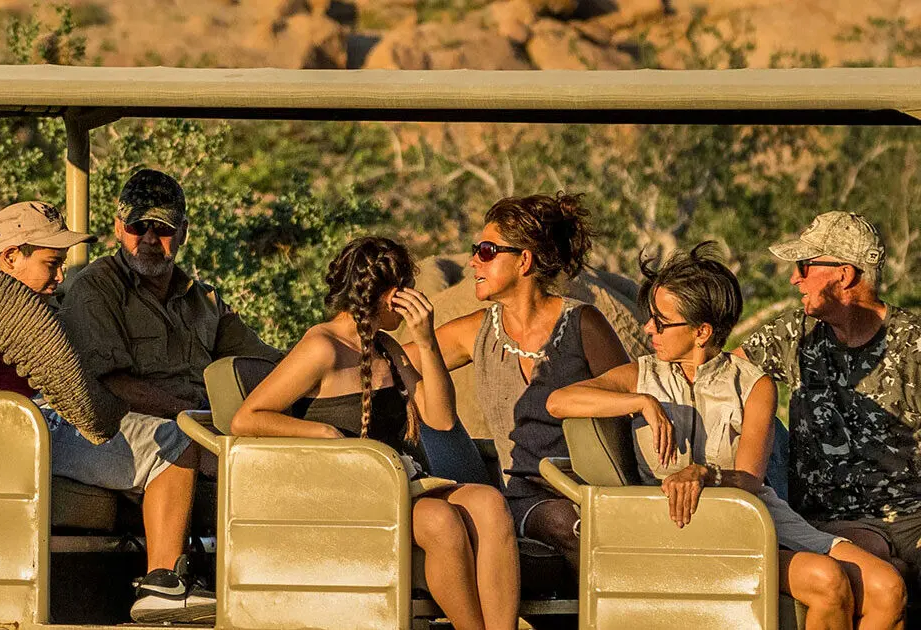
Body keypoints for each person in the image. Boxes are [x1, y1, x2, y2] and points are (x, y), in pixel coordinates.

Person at [548, 243, 905, 630]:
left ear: (701, 331)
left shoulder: (754, 385)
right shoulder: (642, 375)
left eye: (661, 321)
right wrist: (643, 402)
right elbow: (559, 401)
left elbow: (749, 480)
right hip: (678, 527)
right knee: (827, 580)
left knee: (888, 588)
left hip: (749, 520)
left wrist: (705, 474)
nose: (648, 328)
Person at [0, 200, 214, 624]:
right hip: (22, 428)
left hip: (26, 423)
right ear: (12, 257)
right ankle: (163, 583)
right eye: (52, 262)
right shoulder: (4, 310)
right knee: (173, 442)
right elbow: (74, 384)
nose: (60, 275)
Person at [232, 236, 520, 630]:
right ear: (390, 295)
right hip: (345, 492)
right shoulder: (322, 346)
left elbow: (441, 418)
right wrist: (326, 435)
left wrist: (425, 340)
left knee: (489, 503)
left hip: (395, 484)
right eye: (408, 287)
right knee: (439, 519)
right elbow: (248, 418)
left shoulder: (385, 346)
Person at [431, 192, 631, 564]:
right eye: (476, 250)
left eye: (487, 251)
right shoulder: (474, 332)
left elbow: (628, 391)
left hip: (594, 488)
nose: (474, 260)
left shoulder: (583, 324)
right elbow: (400, 364)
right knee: (569, 524)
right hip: (526, 496)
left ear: (524, 260)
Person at [737, 211, 921, 581]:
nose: (794, 278)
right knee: (880, 570)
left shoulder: (913, 342)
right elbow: (719, 377)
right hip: (829, 524)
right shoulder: (794, 334)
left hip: (912, 519)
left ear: (845, 273)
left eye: (805, 266)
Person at [58, 168, 282, 419]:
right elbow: (112, 385)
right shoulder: (97, 288)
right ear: (119, 228)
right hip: (134, 431)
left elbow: (265, 361)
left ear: (183, 231)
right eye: (139, 226)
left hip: (200, 423)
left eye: (163, 228)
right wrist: (193, 417)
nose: (150, 239)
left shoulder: (204, 301)